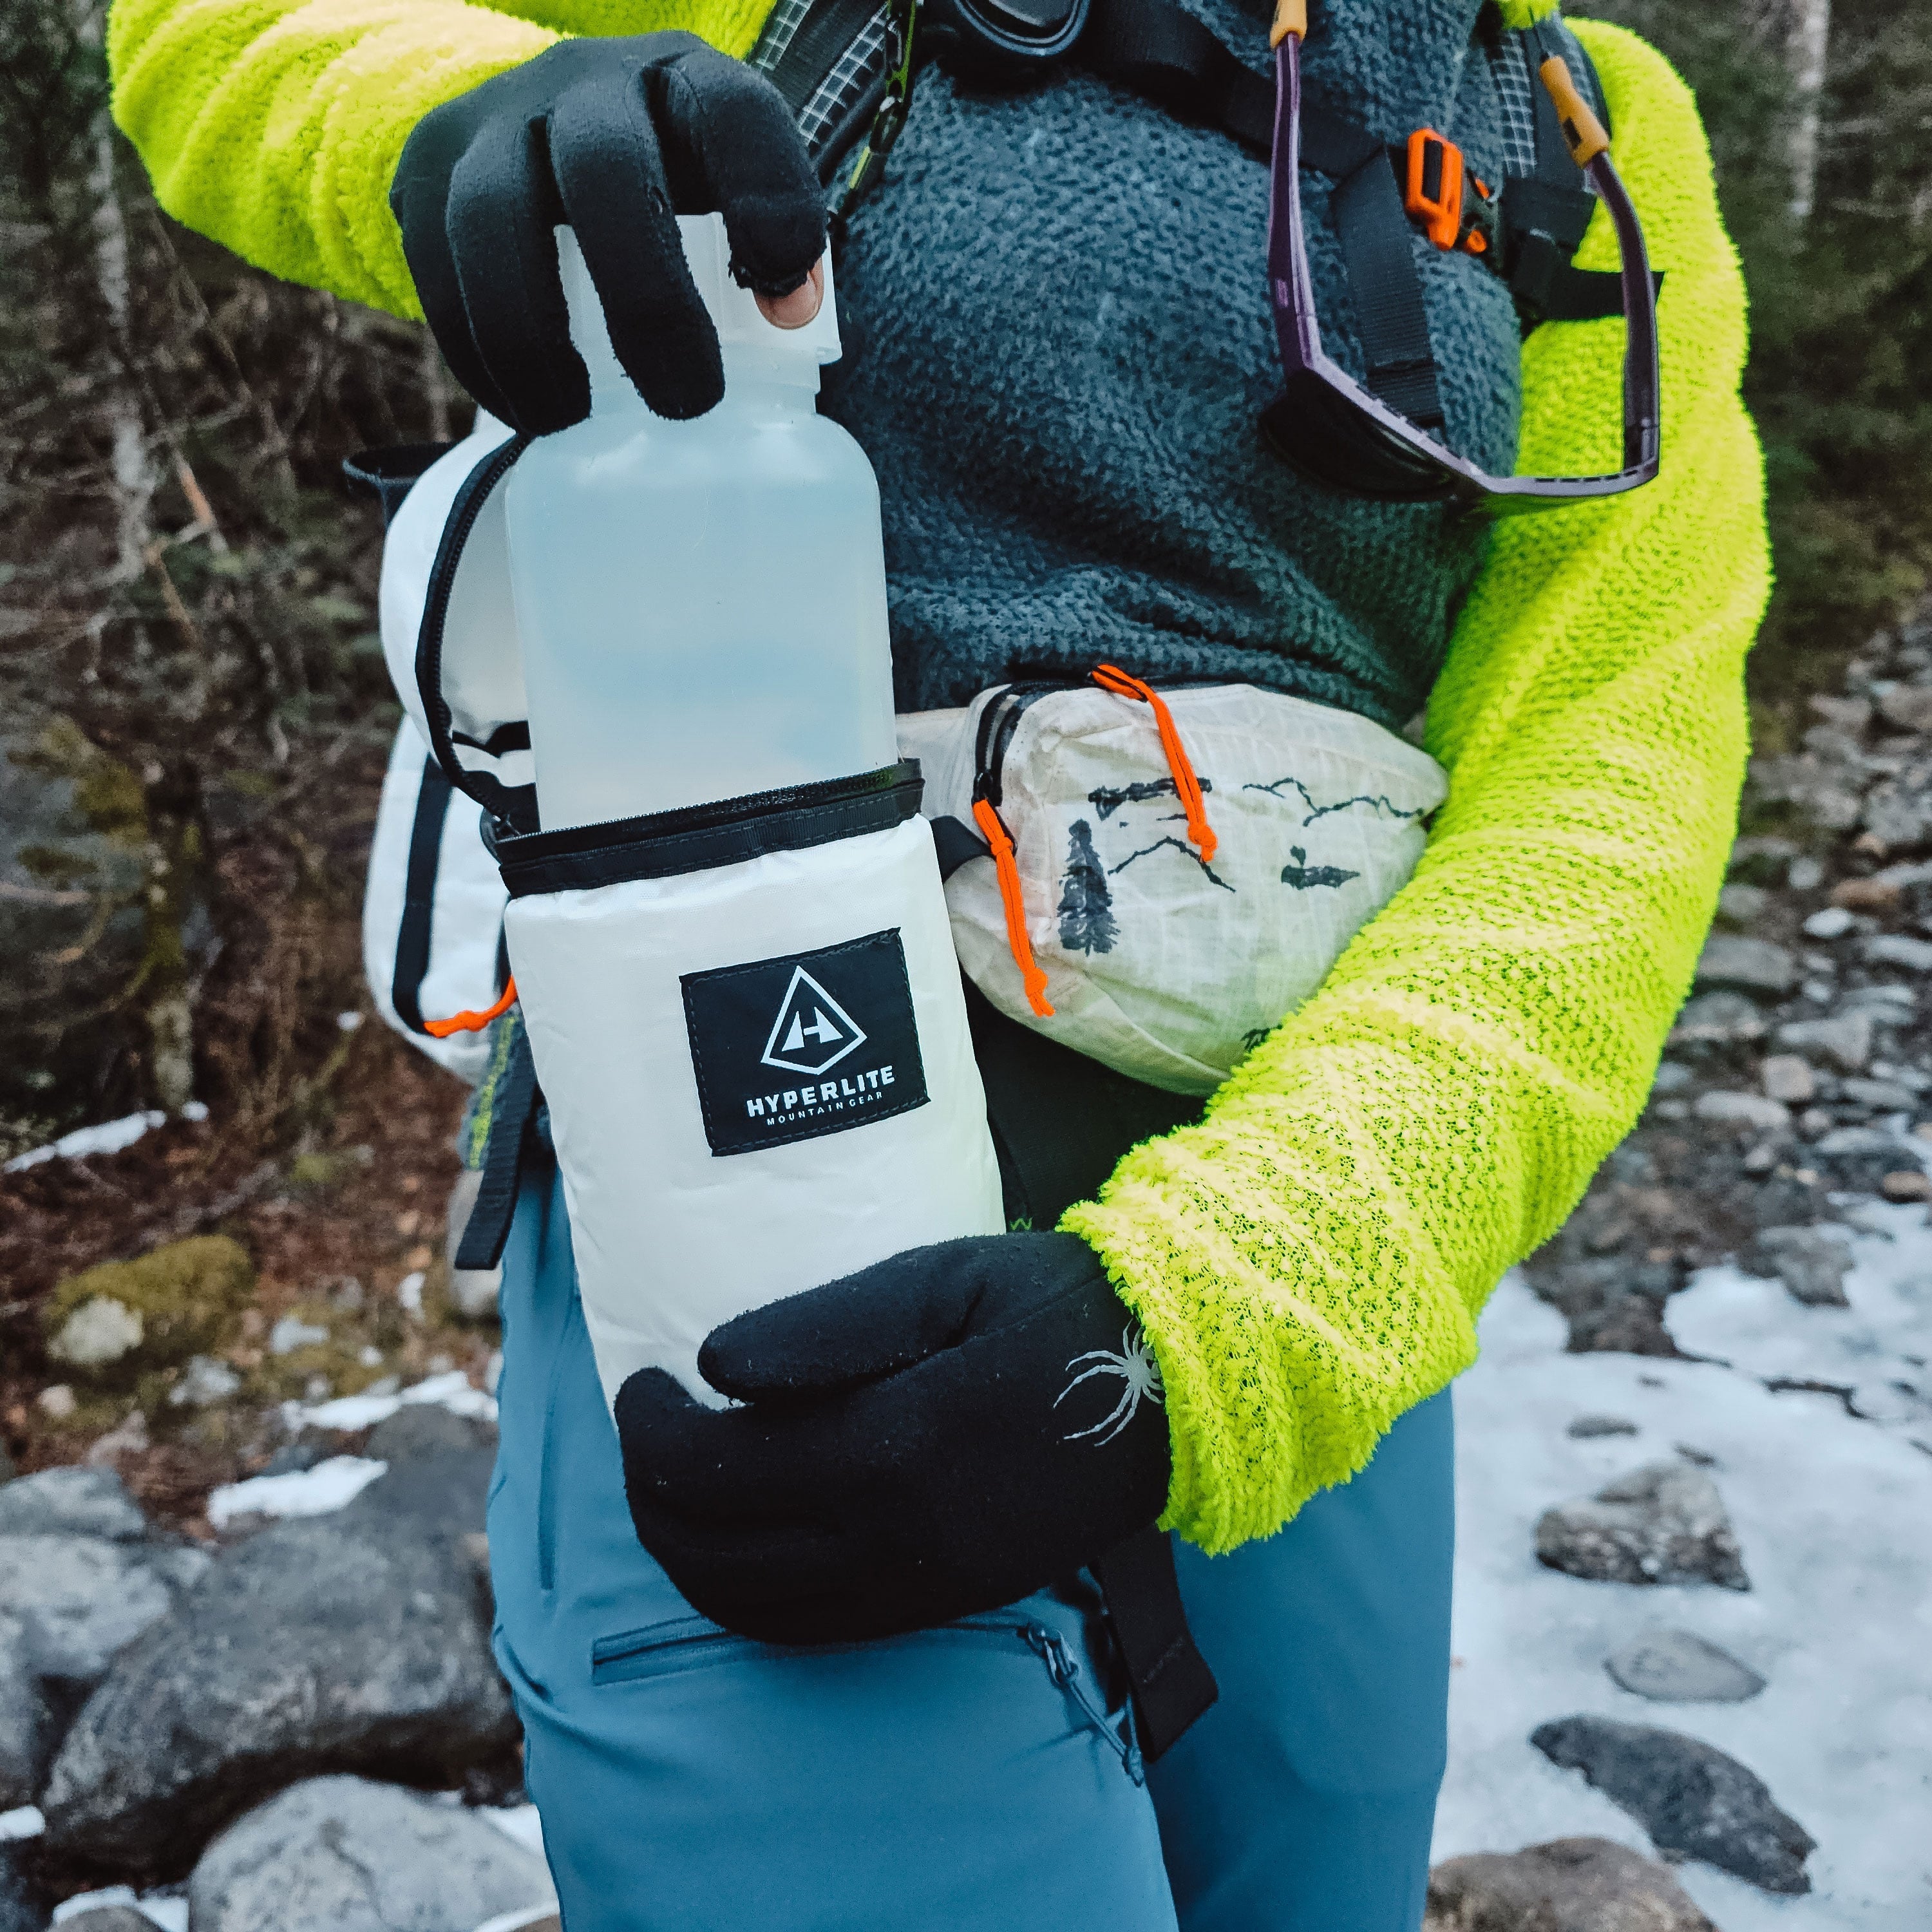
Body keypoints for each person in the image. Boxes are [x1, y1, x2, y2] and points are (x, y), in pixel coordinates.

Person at [108, 0, 1768, 1924]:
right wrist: (479, 117)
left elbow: (1599, 813)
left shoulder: (1577, 125)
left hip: (1309, 1290)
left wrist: (1200, 1334)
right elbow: (211, 32)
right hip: (756, 1180)